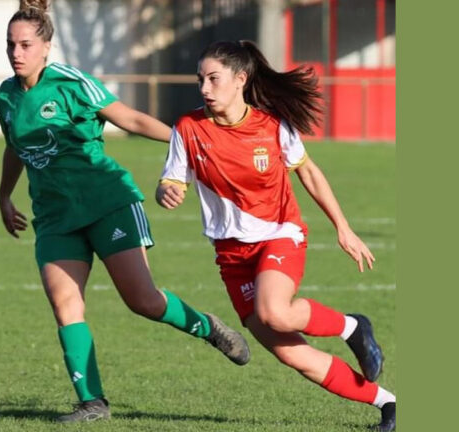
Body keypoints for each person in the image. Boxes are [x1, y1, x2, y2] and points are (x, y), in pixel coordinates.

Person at [0, 1, 250, 423]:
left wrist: (186, 144)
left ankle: (208, 327)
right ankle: (92, 402)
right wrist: (5, 195)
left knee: (144, 301)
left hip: (106, 202)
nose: (16, 53)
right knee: (65, 307)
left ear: (46, 47)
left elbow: (128, 118)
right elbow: (14, 146)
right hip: (55, 216)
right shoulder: (5, 96)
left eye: (25, 44)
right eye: (11, 45)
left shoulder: (71, 82)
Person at [156, 40, 395, 431]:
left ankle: (352, 326)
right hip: (231, 255)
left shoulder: (271, 125)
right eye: (200, 79)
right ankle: (390, 404)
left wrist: (343, 228)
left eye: (213, 79)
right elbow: (170, 179)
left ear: (240, 79)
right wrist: (167, 190)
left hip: (279, 235)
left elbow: (309, 173)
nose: (204, 88)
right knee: (293, 355)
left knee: (275, 311)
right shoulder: (188, 128)